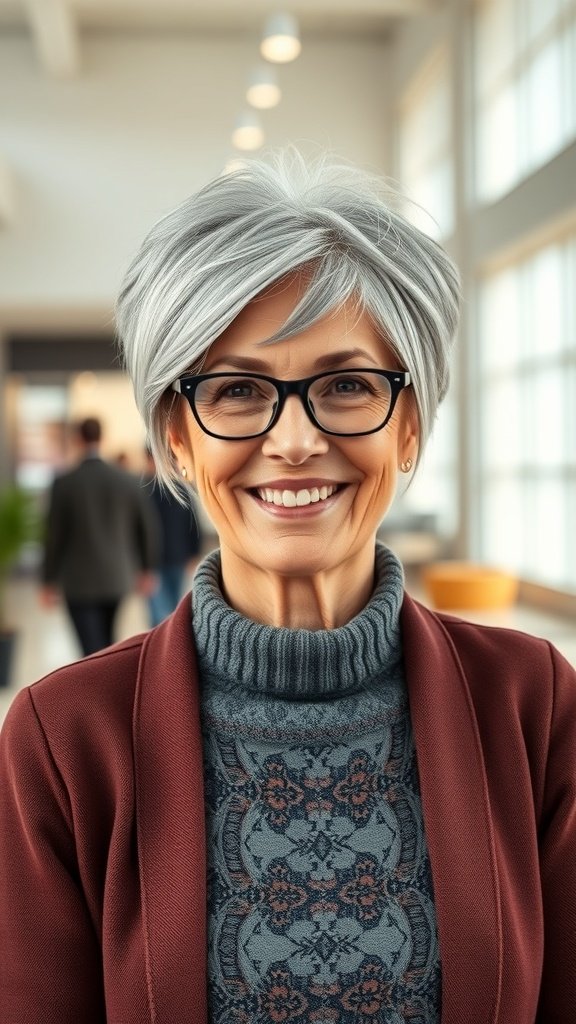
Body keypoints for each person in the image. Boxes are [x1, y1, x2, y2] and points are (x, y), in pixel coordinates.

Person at [1, 152, 575, 1023]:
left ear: (410, 424)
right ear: (178, 439)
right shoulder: (63, 739)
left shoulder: (533, 703)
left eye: (346, 385)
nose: (296, 439)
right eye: (237, 390)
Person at [40, 416, 158, 655]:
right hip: (117, 576)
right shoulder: (127, 480)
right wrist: (147, 568)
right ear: (101, 438)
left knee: (90, 649)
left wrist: (47, 580)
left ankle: (98, 687)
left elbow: (54, 536)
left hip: (78, 581)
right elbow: (146, 527)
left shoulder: (64, 483)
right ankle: (107, 684)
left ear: (77, 439)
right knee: (107, 641)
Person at [142, 446, 202, 625]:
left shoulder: (145, 490)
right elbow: (193, 522)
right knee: (164, 613)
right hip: (163, 559)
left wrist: (194, 553)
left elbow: (192, 522)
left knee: (164, 613)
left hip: (166, 559)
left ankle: (164, 649)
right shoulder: (176, 488)